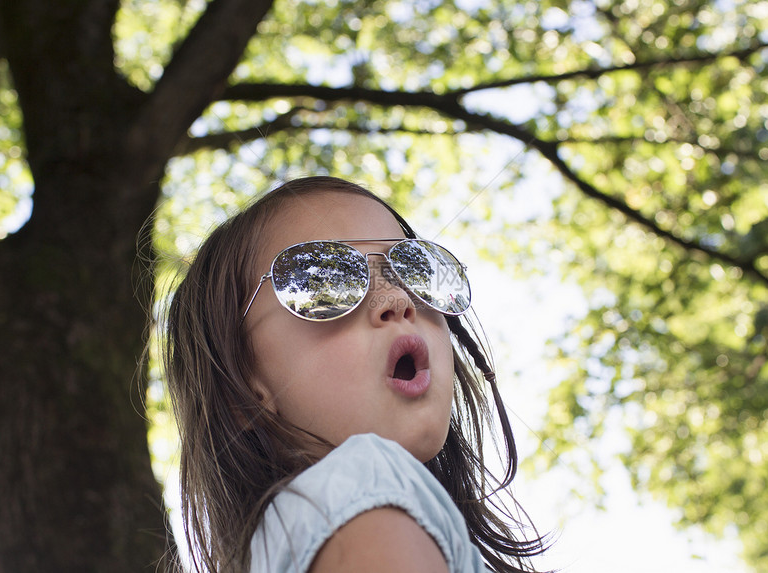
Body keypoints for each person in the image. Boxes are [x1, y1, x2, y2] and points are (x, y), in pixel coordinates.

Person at [162, 176, 549, 572]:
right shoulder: (365, 481)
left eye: (415, 270)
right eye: (325, 279)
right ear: (241, 390)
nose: (396, 299)